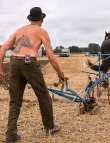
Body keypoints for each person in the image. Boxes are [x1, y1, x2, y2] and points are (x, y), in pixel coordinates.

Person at [0, 7, 67, 143]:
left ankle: (10, 135)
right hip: (29, 63)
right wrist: (60, 74)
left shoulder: (19, 30)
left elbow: (3, 48)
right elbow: (51, 58)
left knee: (15, 101)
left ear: (30, 19)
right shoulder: (42, 31)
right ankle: (50, 126)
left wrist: (0, 69)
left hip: (14, 62)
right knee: (43, 96)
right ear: (42, 20)